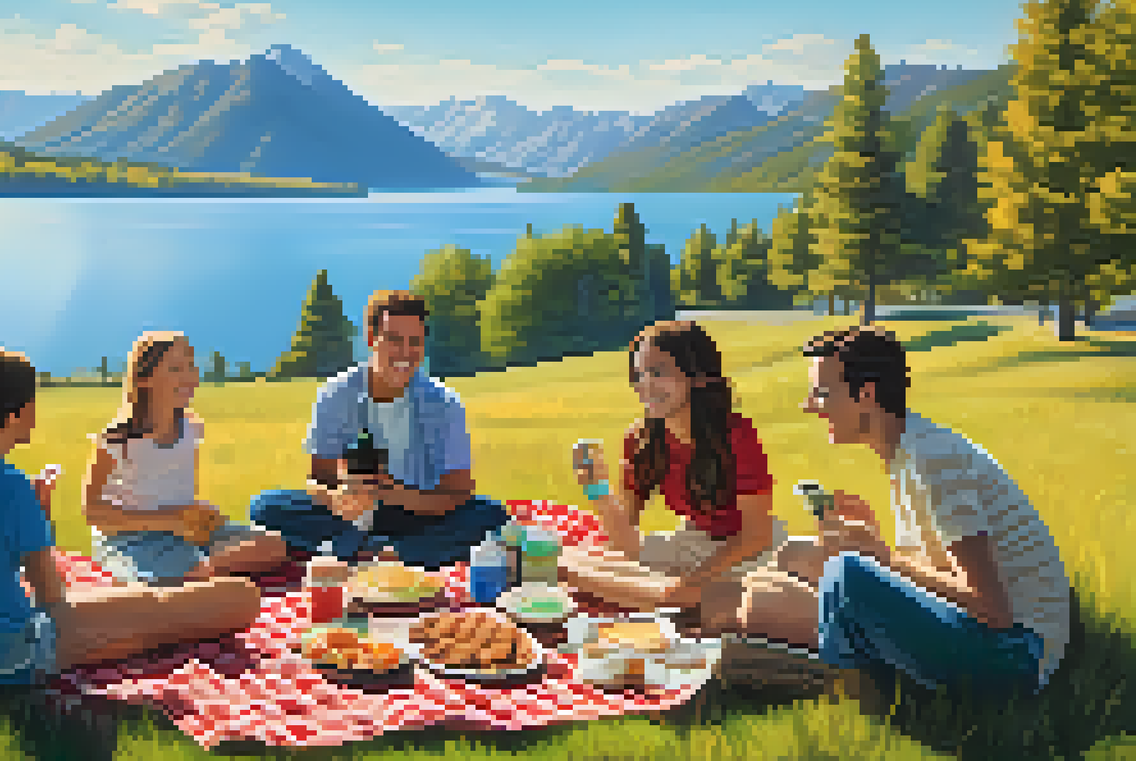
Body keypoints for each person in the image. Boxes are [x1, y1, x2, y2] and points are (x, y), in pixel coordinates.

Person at [0, 345, 262, 685]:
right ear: (17, 414)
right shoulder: (11, 487)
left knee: (136, 609)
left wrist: (35, 513)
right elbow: (53, 599)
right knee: (213, 602)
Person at [739, 325, 1070, 699]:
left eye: (822, 393)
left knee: (834, 576)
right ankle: (848, 650)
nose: (809, 405)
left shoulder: (931, 459)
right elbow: (941, 569)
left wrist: (880, 556)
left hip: (1015, 655)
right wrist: (874, 535)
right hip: (993, 637)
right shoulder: (909, 450)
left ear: (866, 394)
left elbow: (993, 609)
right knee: (794, 556)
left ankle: (855, 681)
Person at [249, 290, 509, 570]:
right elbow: (318, 477)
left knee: (490, 516)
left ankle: (374, 553)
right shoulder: (336, 393)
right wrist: (339, 497)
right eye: (394, 340)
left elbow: (458, 493)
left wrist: (392, 493)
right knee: (265, 506)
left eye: (415, 342)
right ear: (372, 339)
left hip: (417, 511)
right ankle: (389, 552)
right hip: (351, 513)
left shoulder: (444, 403)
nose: (405, 353)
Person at [560, 321, 786, 634]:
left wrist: (690, 582)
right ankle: (565, 573)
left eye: (658, 372)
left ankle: (570, 577)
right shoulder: (642, 440)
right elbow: (624, 541)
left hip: (749, 551)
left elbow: (757, 535)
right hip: (693, 542)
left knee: (680, 597)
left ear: (695, 375)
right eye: (639, 374)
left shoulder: (734, 436)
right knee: (573, 557)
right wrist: (596, 487)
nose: (645, 386)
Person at [82, 331, 289, 586]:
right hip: (130, 539)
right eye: (176, 368)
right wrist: (168, 521)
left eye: (191, 366)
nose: (189, 376)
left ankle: (197, 571)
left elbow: (177, 491)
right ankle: (189, 573)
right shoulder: (117, 440)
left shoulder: (190, 428)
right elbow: (92, 511)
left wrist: (204, 514)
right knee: (158, 573)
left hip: (186, 533)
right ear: (144, 378)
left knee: (273, 545)